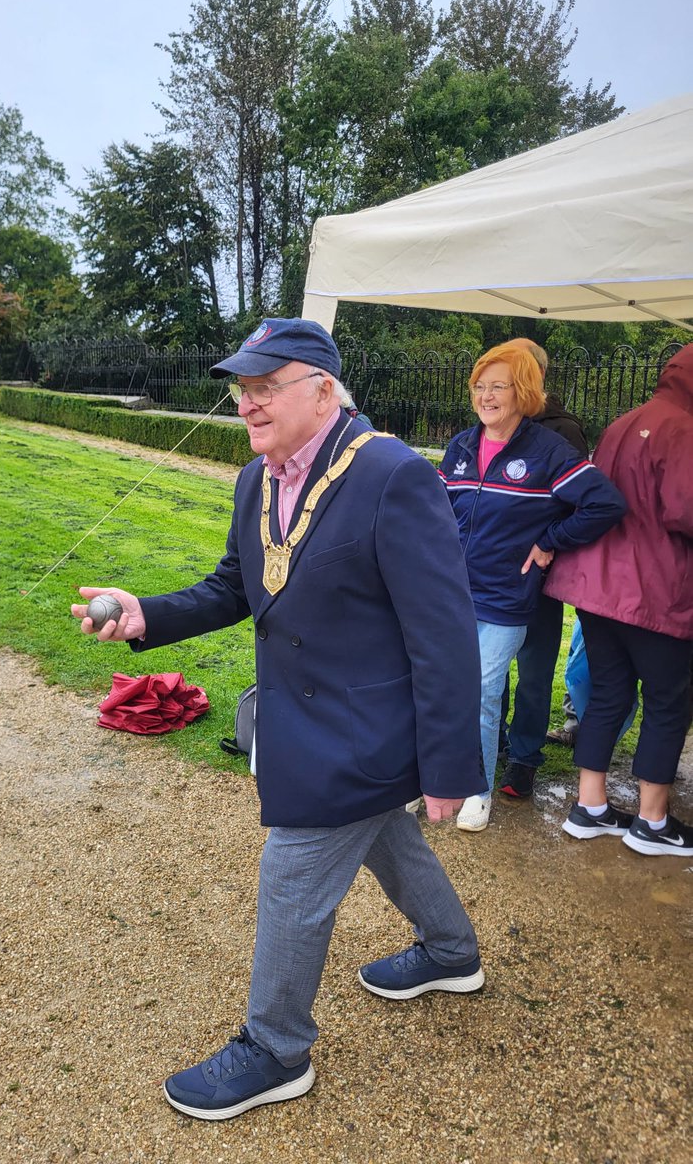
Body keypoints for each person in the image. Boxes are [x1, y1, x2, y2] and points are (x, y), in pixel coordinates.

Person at [72, 317, 488, 1121]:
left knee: (292, 878)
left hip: (361, 736)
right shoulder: (255, 477)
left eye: (267, 387)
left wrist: (449, 766)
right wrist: (141, 614)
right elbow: (234, 586)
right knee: (389, 844)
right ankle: (451, 952)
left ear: (323, 390)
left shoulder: (394, 475)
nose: (248, 404)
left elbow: (444, 634)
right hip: (303, 723)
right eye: (243, 389)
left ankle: (276, 1049)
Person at [438, 342, 626, 833]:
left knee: (481, 690)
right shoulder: (460, 446)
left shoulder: (549, 450)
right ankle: (436, 775)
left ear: (523, 391)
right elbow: (436, 509)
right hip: (452, 595)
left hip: (507, 598)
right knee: (442, 685)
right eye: (480, 386)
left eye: (497, 386)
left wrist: (550, 541)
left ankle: (478, 789)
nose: (486, 396)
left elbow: (604, 504)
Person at [545, 343, 693, 855]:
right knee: (669, 703)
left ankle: (591, 807)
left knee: (609, 694)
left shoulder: (623, 420)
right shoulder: (684, 428)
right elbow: (685, 512)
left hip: (597, 586)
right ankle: (652, 822)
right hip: (654, 590)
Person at [498, 338, 589, 799]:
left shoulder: (563, 432)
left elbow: (584, 506)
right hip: (489, 575)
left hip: (538, 579)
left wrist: (549, 542)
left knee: (533, 669)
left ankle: (523, 757)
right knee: (488, 666)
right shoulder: (495, 421)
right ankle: (491, 741)